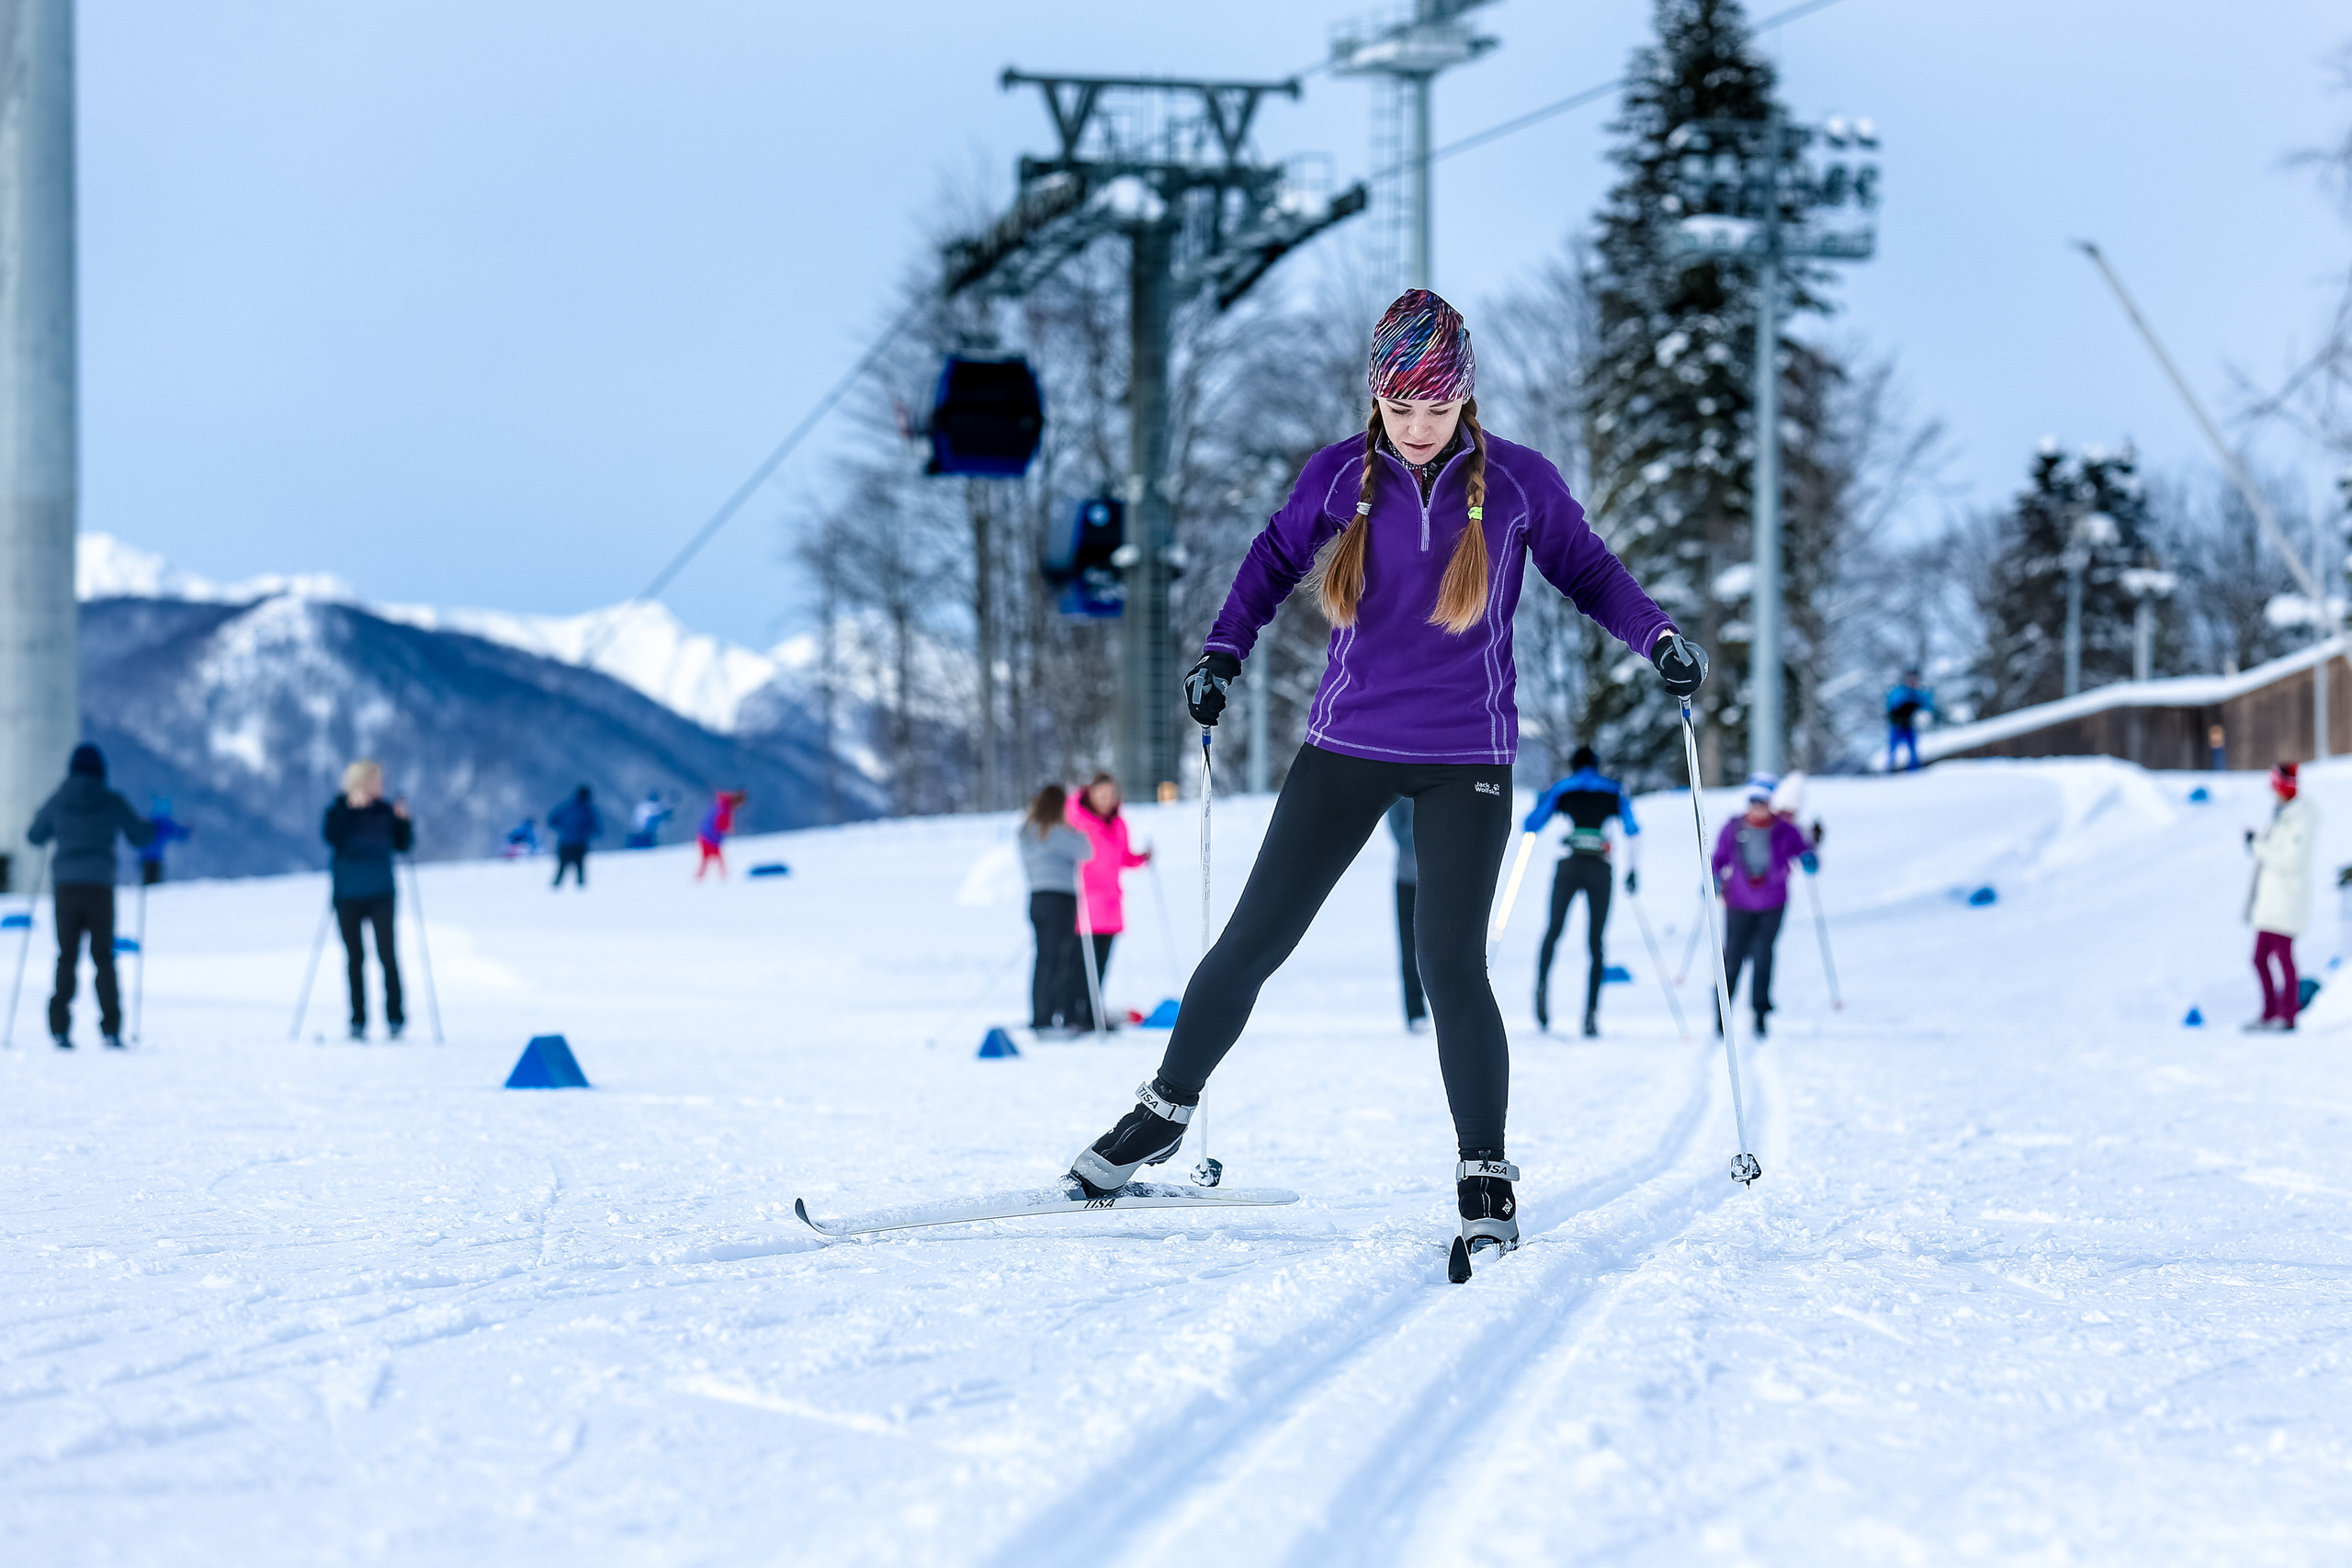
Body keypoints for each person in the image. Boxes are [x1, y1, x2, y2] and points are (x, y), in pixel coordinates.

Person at [1065, 288, 1704, 1272]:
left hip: (1467, 759)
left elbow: (1592, 573)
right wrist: (1222, 653)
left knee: (1449, 964)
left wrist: (1656, 636)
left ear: (1465, 400)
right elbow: (1271, 560)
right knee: (1251, 943)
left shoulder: (1521, 485)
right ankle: (1162, 1113)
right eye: (1399, 408)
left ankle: (1484, 1171)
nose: (1416, 427)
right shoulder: (1340, 476)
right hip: (1345, 748)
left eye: (1435, 408)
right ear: (1375, 398)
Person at [26, 744, 155, 1049]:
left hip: (66, 888)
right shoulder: (112, 801)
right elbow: (139, 836)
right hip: (100, 888)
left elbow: (34, 836)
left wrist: (42, 819)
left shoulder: (58, 800)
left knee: (66, 957)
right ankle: (111, 1028)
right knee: (103, 958)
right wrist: (154, 827)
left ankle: (60, 1028)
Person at [1524, 744, 1640, 1038]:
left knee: (1553, 930)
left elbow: (1532, 824)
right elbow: (1632, 830)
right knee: (1596, 941)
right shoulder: (1613, 790)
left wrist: (1541, 798)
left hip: (1570, 864)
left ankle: (1541, 987)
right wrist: (1632, 871)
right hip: (1600, 868)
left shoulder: (1563, 789)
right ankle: (1590, 1013)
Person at [1708, 776, 1816, 1040]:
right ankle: (1722, 1012)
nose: (1758, 807)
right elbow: (1718, 858)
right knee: (1733, 958)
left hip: (1773, 902)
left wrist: (1810, 853)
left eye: (1764, 801)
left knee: (1763, 955)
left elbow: (1805, 854)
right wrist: (1710, 878)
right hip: (1738, 902)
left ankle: (1760, 1014)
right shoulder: (1733, 827)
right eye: (1753, 801)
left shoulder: (1785, 829)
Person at [322, 759, 412, 1042]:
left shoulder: (387, 811)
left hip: (381, 892)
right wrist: (349, 810)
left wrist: (403, 820)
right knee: (355, 958)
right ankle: (358, 1019)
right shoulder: (338, 810)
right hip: (348, 894)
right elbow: (331, 838)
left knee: (387, 955)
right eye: (376, 781)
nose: (380, 787)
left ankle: (395, 1017)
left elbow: (403, 844)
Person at [1067, 772, 1151, 1016]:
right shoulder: (1077, 819)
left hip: (1111, 903)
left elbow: (1122, 857)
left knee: (1101, 964)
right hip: (1085, 902)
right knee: (1080, 963)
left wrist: (1141, 858)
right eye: (1101, 794)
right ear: (1090, 794)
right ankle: (1074, 1011)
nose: (1105, 800)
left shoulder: (1118, 824)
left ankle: (1092, 1009)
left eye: (1110, 795)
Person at [2245, 761, 2318, 1032]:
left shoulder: (2301, 818)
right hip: (2270, 902)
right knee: (2259, 958)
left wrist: (2258, 847)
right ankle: (2269, 1013)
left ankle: (2286, 1016)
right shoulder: (2281, 814)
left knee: (2283, 958)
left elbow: (2292, 860)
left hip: (2287, 900)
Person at [1019, 784, 1095, 1035]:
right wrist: (1072, 827)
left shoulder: (1026, 832)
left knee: (1043, 958)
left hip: (1036, 897)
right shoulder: (1058, 833)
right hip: (1060, 899)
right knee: (1059, 959)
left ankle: (1040, 1013)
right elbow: (1086, 850)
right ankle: (1049, 1016)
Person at [1388, 799, 1427, 1032]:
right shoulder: (1401, 796)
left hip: (1439, 880)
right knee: (1408, 947)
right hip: (1407, 878)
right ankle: (1415, 1011)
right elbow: (1398, 830)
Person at [548, 784, 603, 889]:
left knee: (561, 869)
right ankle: (581, 895)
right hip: (579, 844)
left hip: (564, 843)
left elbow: (552, 820)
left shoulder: (566, 807)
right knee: (580, 870)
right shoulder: (587, 809)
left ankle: (554, 891)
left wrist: (563, 829)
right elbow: (594, 827)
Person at [1884, 670, 1936, 773]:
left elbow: (1927, 706)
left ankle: (1914, 769)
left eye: (1915, 680)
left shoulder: (1918, 694)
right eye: (1911, 679)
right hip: (1897, 726)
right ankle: (1890, 769)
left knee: (1913, 749)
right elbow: (1892, 704)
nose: (1913, 682)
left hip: (1909, 726)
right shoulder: (1899, 692)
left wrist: (1930, 691)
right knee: (1893, 749)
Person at [138, 795, 192, 886]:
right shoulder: (164, 823)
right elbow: (180, 832)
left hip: (145, 858)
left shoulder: (151, 820)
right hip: (155, 860)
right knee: (155, 887)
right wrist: (188, 829)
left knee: (148, 885)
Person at [696, 789, 746, 880]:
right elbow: (720, 824)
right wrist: (727, 828)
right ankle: (723, 879)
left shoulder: (723, 804)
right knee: (714, 860)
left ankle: (700, 879)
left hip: (705, 835)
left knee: (707, 861)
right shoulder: (725, 808)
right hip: (709, 837)